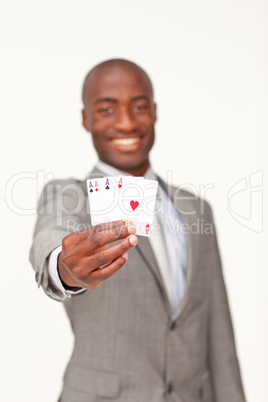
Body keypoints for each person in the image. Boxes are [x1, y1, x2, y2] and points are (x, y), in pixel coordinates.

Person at [30, 59, 246, 402]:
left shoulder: (196, 209)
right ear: (86, 119)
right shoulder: (68, 195)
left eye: (139, 106)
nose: (127, 121)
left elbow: (218, 334)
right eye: (106, 109)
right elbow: (51, 237)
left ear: (155, 112)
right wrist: (63, 267)